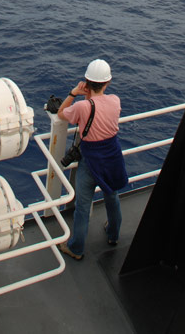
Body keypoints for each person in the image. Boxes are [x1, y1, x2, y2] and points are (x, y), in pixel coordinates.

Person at [57, 58, 128, 260]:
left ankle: (76, 248)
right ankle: (113, 235)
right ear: (108, 82)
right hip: (112, 156)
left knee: (82, 206)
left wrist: (73, 93)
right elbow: (101, 107)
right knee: (112, 196)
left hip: (91, 160)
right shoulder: (115, 100)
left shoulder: (82, 107)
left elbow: (62, 113)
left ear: (86, 82)